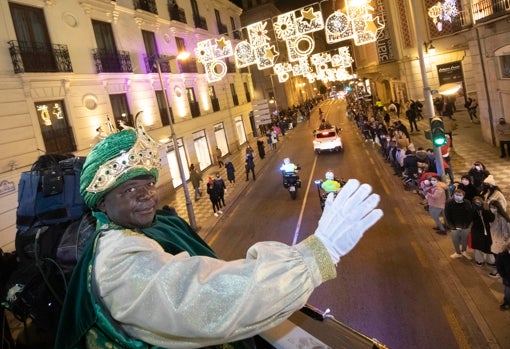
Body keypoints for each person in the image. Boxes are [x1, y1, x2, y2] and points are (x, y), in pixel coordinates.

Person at [55, 119, 383, 348]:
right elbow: (210, 300)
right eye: (129, 189)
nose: (147, 195)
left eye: (148, 184)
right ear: (102, 201)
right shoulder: (118, 263)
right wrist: (318, 252)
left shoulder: (135, 231)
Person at [444, 189, 474, 259]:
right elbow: (447, 215)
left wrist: (467, 225)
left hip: (465, 226)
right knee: (455, 240)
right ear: (454, 195)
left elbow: (470, 215)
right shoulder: (449, 203)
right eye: (456, 195)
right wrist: (452, 226)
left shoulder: (467, 203)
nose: (458, 196)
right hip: (454, 226)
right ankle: (457, 252)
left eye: (460, 195)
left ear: (463, 196)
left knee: (464, 239)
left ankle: (464, 251)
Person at [488, 200, 510, 279]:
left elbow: (505, 233)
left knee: (499, 259)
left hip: (500, 242)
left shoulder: (501, 218)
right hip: (496, 241)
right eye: (490, 207)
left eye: (493, 207)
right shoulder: (496, 216)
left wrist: (504, 242)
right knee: (499, 258)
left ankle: (499, 272)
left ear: (498, 208)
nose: (492, 209)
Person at [470, 196, 494, 266]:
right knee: (478, 246)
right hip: (477, 230)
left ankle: (490, 261)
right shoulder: (473, 210)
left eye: (479, 202)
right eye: (476, 202)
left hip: (487, 230)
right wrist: (475, 211)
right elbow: (470, 218)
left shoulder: (486, 209)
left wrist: (484, 210)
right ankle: (479, 260)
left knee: (489, 245)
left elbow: (491, 219)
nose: (478, 203)